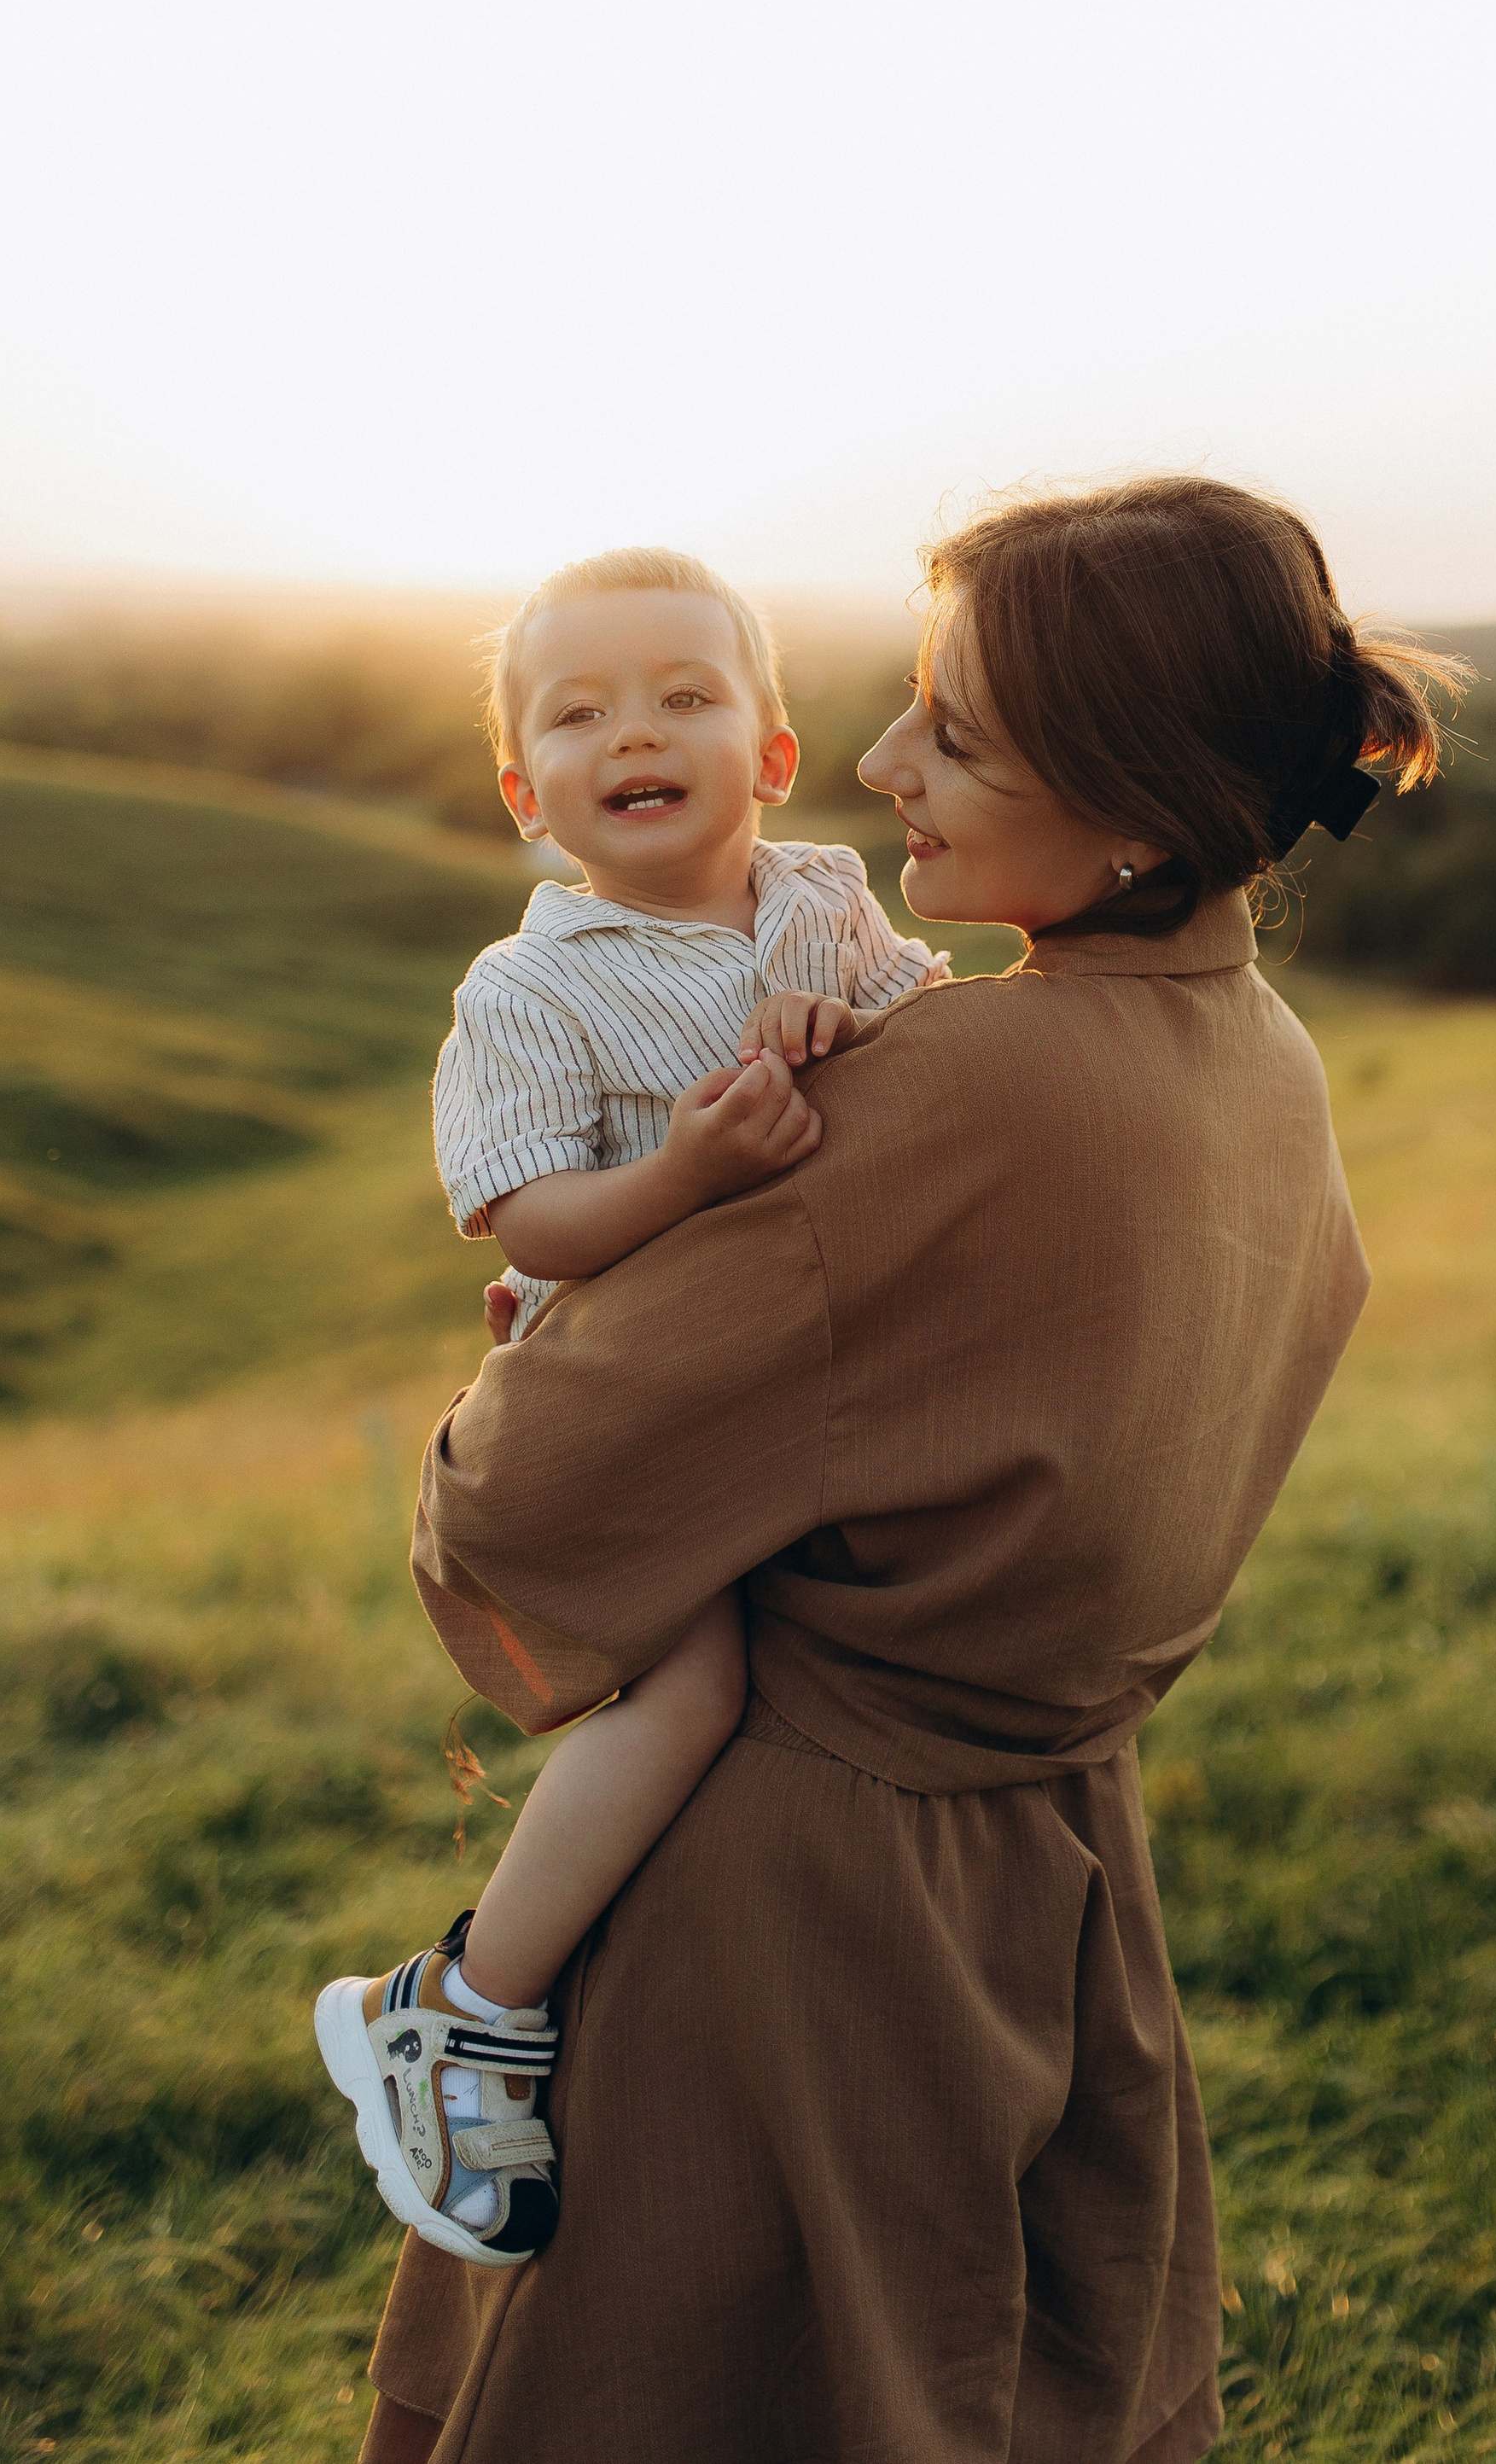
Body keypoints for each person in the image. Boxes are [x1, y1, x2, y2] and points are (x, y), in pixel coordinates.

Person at [355, 475, 1458, 2464]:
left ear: (1131, 804)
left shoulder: (944, 1085)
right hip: (1057, 1877)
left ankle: (450, 2008)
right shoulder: (1260, 1055)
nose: (874, 765)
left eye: (949, 729)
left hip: (791, 1902)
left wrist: (523, 1380)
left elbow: (521, 1507)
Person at [315, 546, 946, 2260]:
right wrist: (682, 1166)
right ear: (527, 790)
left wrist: (876, 1019)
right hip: (618, 1405)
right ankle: (456, 2003)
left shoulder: (826, 894)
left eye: (684, 693)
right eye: (580, 712)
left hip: (799, 1387)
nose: (634, 729)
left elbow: (924, 1060)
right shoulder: (532, 987)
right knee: (690, 1683)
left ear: (769, 751)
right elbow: (529, 1217)